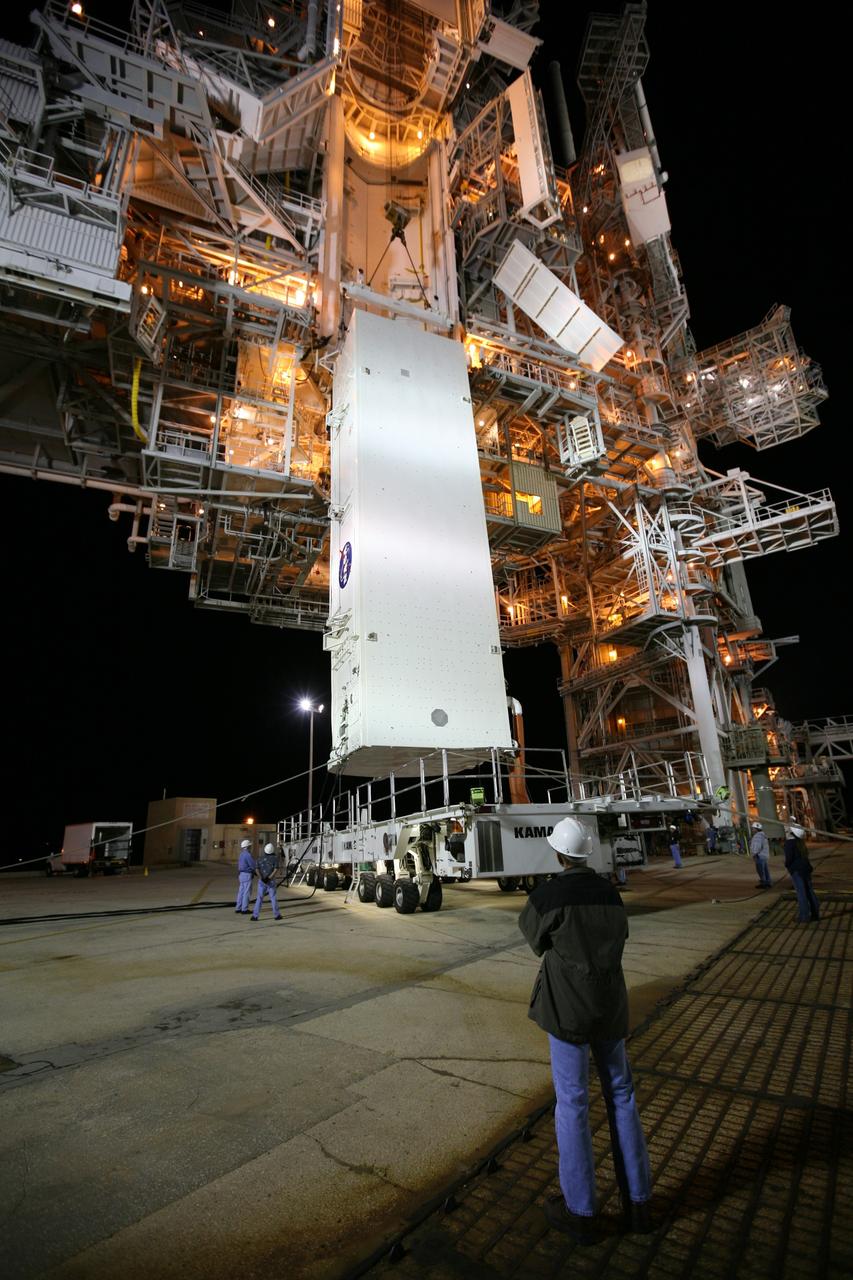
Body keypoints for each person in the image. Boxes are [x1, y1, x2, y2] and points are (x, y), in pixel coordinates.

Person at [518, 816, 652, 1245]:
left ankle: (582, 1210)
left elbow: (535, 940)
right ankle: (640, 1202)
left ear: (558, 854)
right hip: (610, 1010)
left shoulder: (549, 895)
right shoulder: (611, 893)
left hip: (568, 1014)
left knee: (573, 1102)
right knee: (623, 1095)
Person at [784, 824, 819, 923]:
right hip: (805, 869)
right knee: (809, 891)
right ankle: (815, 914)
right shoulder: (801, 842)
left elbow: (789, 859)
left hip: (797, 871)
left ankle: (804, 916)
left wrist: (788, 866)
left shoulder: (790, 843)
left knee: (801, 893)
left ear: (791, 832)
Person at [251, 842, 282, 921]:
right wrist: (269, 878)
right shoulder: (275, 859)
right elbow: (276, 869)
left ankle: (255, 916)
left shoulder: (259, 858)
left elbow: (256, 869)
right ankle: (277, 915)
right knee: (273, 898)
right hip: (271, 881)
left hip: (261, 882)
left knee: (259, 898)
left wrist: (261, 878)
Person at [235, 839, 256, 914]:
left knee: (241, 892)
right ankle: (244, 909)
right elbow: (253, 865)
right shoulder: (248, 855)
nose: (251, 847)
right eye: (250, 846)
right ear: (248, 846)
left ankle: (238, 908)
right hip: (247, 874)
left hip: (241, 875)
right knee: (247, 892)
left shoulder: (241, 854)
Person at [750, 823, 772, 888]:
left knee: (760, 870)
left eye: (753, 828)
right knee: (765, 870)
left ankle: (764, 883)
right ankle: (768, 882)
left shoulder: (757, 836)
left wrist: (754, 854)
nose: (752, 829)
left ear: (756, 829)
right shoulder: (763, 835)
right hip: (764, 855)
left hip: (759, 856)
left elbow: (757, 846)